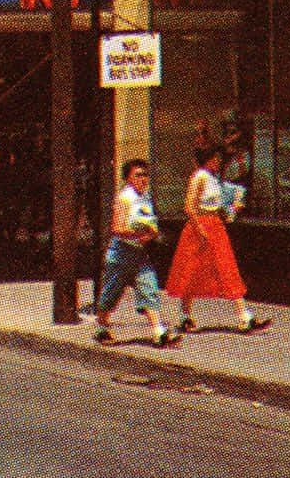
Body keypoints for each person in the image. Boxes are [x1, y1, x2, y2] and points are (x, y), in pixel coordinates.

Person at [166, 144, 272, 334]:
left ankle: (244, 317)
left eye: (218, 158)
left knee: (227, 267)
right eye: (214, 158)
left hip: (215, 224)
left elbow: (217, 204)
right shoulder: (199, 176)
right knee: (193, 270)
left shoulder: (214, 178)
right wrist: (200, 229)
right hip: (201, 227)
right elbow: (189, 207)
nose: (218, 161)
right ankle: (185, 315)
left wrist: (232, 209)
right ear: (206, 159)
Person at [93, 159, 177, 348]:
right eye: (138, 175)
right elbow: (117, 227)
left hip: (139, 254)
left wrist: (152, 234)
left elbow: (150, 223)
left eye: (145, 174)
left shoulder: (145, 197)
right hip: (121, 254)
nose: (143, 178)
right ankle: (101, 327)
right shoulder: (125, 197)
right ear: (127, 178)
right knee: (111, 294)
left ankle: (158, 332)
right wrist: (141, 232)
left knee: (149, 287)